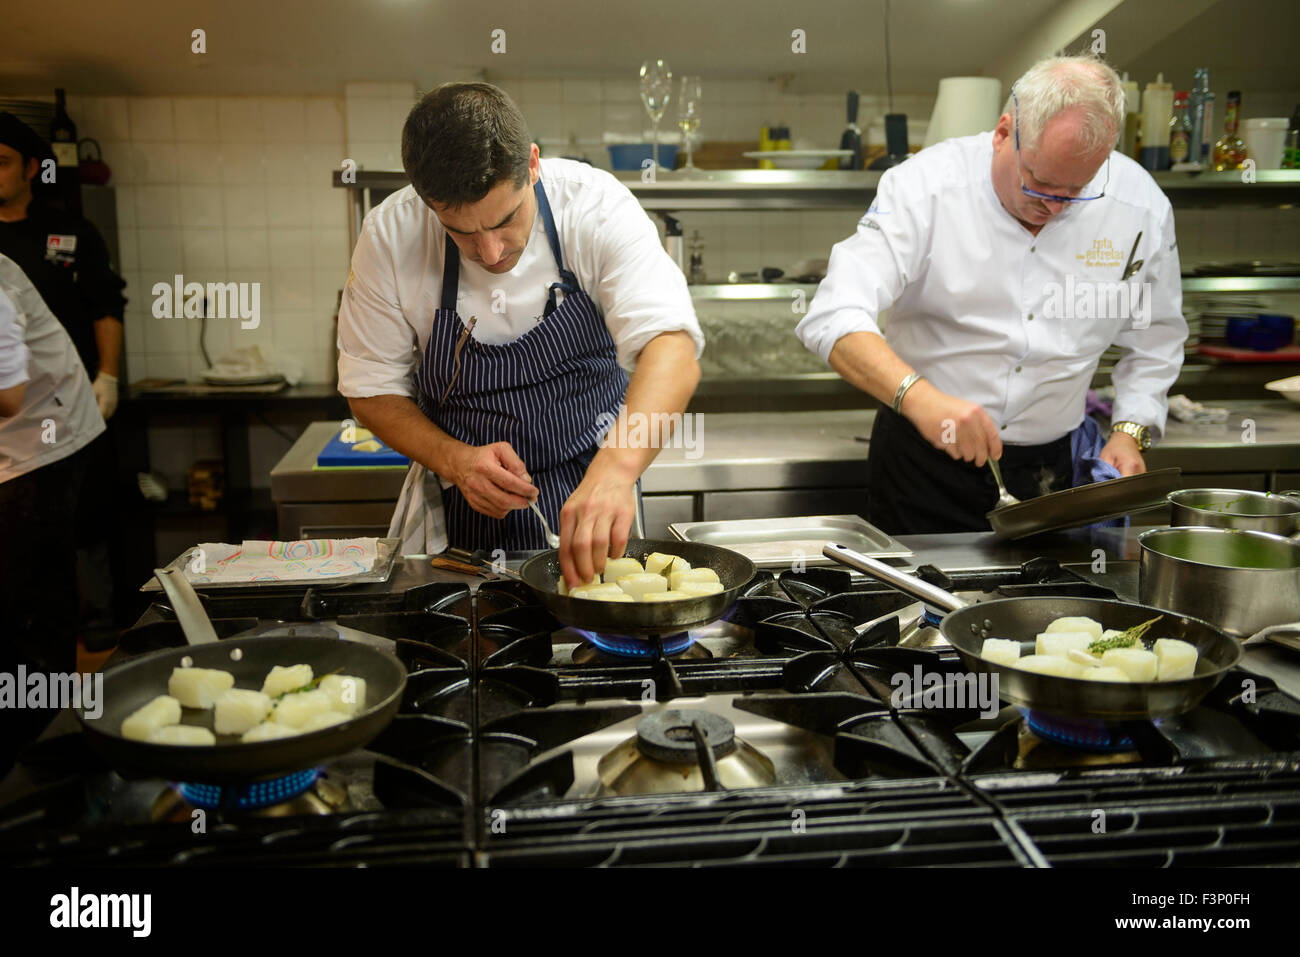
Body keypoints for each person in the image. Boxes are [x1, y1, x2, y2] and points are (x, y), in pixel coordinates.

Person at [796, 55, 1187, 534]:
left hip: (1055, 475)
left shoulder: (1140, 207)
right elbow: (832, 317)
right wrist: (921, 399)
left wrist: (1131, 431)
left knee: (1047, 608)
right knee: (917, 607)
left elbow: (1157, 338)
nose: (1054, 206)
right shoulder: (925, 187)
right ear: (1004, 133)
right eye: (1040, 183)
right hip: (923, 464)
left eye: (1077, 190)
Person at [337, 83, 703, 585]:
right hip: (462, 497)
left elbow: (672, 350)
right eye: (460, 231)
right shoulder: (389, 236)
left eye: (506, 220)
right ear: (427, 203)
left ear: (532, 164)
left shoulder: (595, 207)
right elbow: (370, 388)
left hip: (595, 473)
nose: (489, 254)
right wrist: (457, 460)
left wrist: (618, 468)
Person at [0, 112, 127, 645]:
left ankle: (97, 624)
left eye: (1, 162)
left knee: (85, 515)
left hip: (66, 404)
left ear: (31, 168)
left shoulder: (70, 232)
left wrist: (109, 377)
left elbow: (106, 306)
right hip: (18, 420)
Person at [0, 254, 105, 774]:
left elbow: (6, 394)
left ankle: (38, 760)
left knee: (31, 609)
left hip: (40, 441)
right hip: (12, 447)